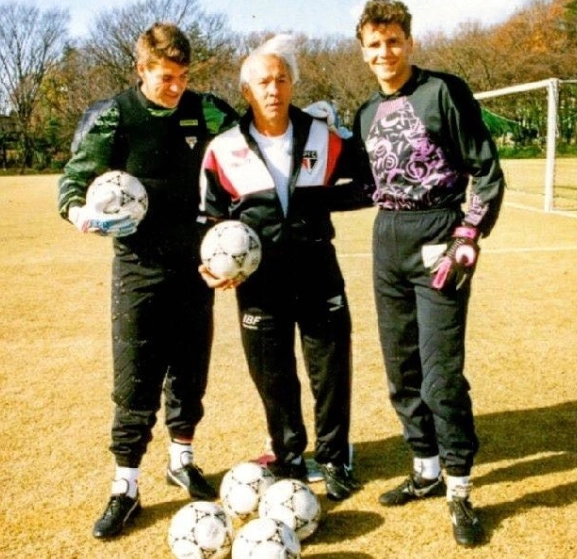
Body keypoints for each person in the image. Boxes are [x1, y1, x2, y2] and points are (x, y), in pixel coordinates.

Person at [57, 22, 238, 539]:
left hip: (196, 265)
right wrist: (80, 214)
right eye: (165, 76)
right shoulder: (113, 115)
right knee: (135, 376)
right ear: (141, 69)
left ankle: (182, 460)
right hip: (138, 266)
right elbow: (73, 181)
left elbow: (242, 155)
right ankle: (126, 486)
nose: (175, 86)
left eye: (182, 76)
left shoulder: (209, 110)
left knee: (190, 369)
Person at [352, 0, 505, 547]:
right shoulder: (366, 112)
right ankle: (425, 469)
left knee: (441, 374)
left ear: (408, 43)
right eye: (374, 45)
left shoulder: (442, 91)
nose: (384, 53)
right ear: (363, 51)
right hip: (387, 240)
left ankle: (460, 489)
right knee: (402, 368)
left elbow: (485, 170)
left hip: (439, 238)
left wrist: (467, 236)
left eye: (393, 41)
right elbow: (364, 185)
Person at [198, 35, 368, 501]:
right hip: (260, 283)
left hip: (318, 271)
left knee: (330, 370)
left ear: (292, 84)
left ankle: (334, 457)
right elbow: (210, 219)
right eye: (262, 82)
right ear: (246, 91)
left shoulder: (323, 134)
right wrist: (212, 265)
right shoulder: (223, 148)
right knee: (272, 375)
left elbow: (369, 183)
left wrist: (320, 201)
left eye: (281, 79)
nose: (273, 89)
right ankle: (289, 457)